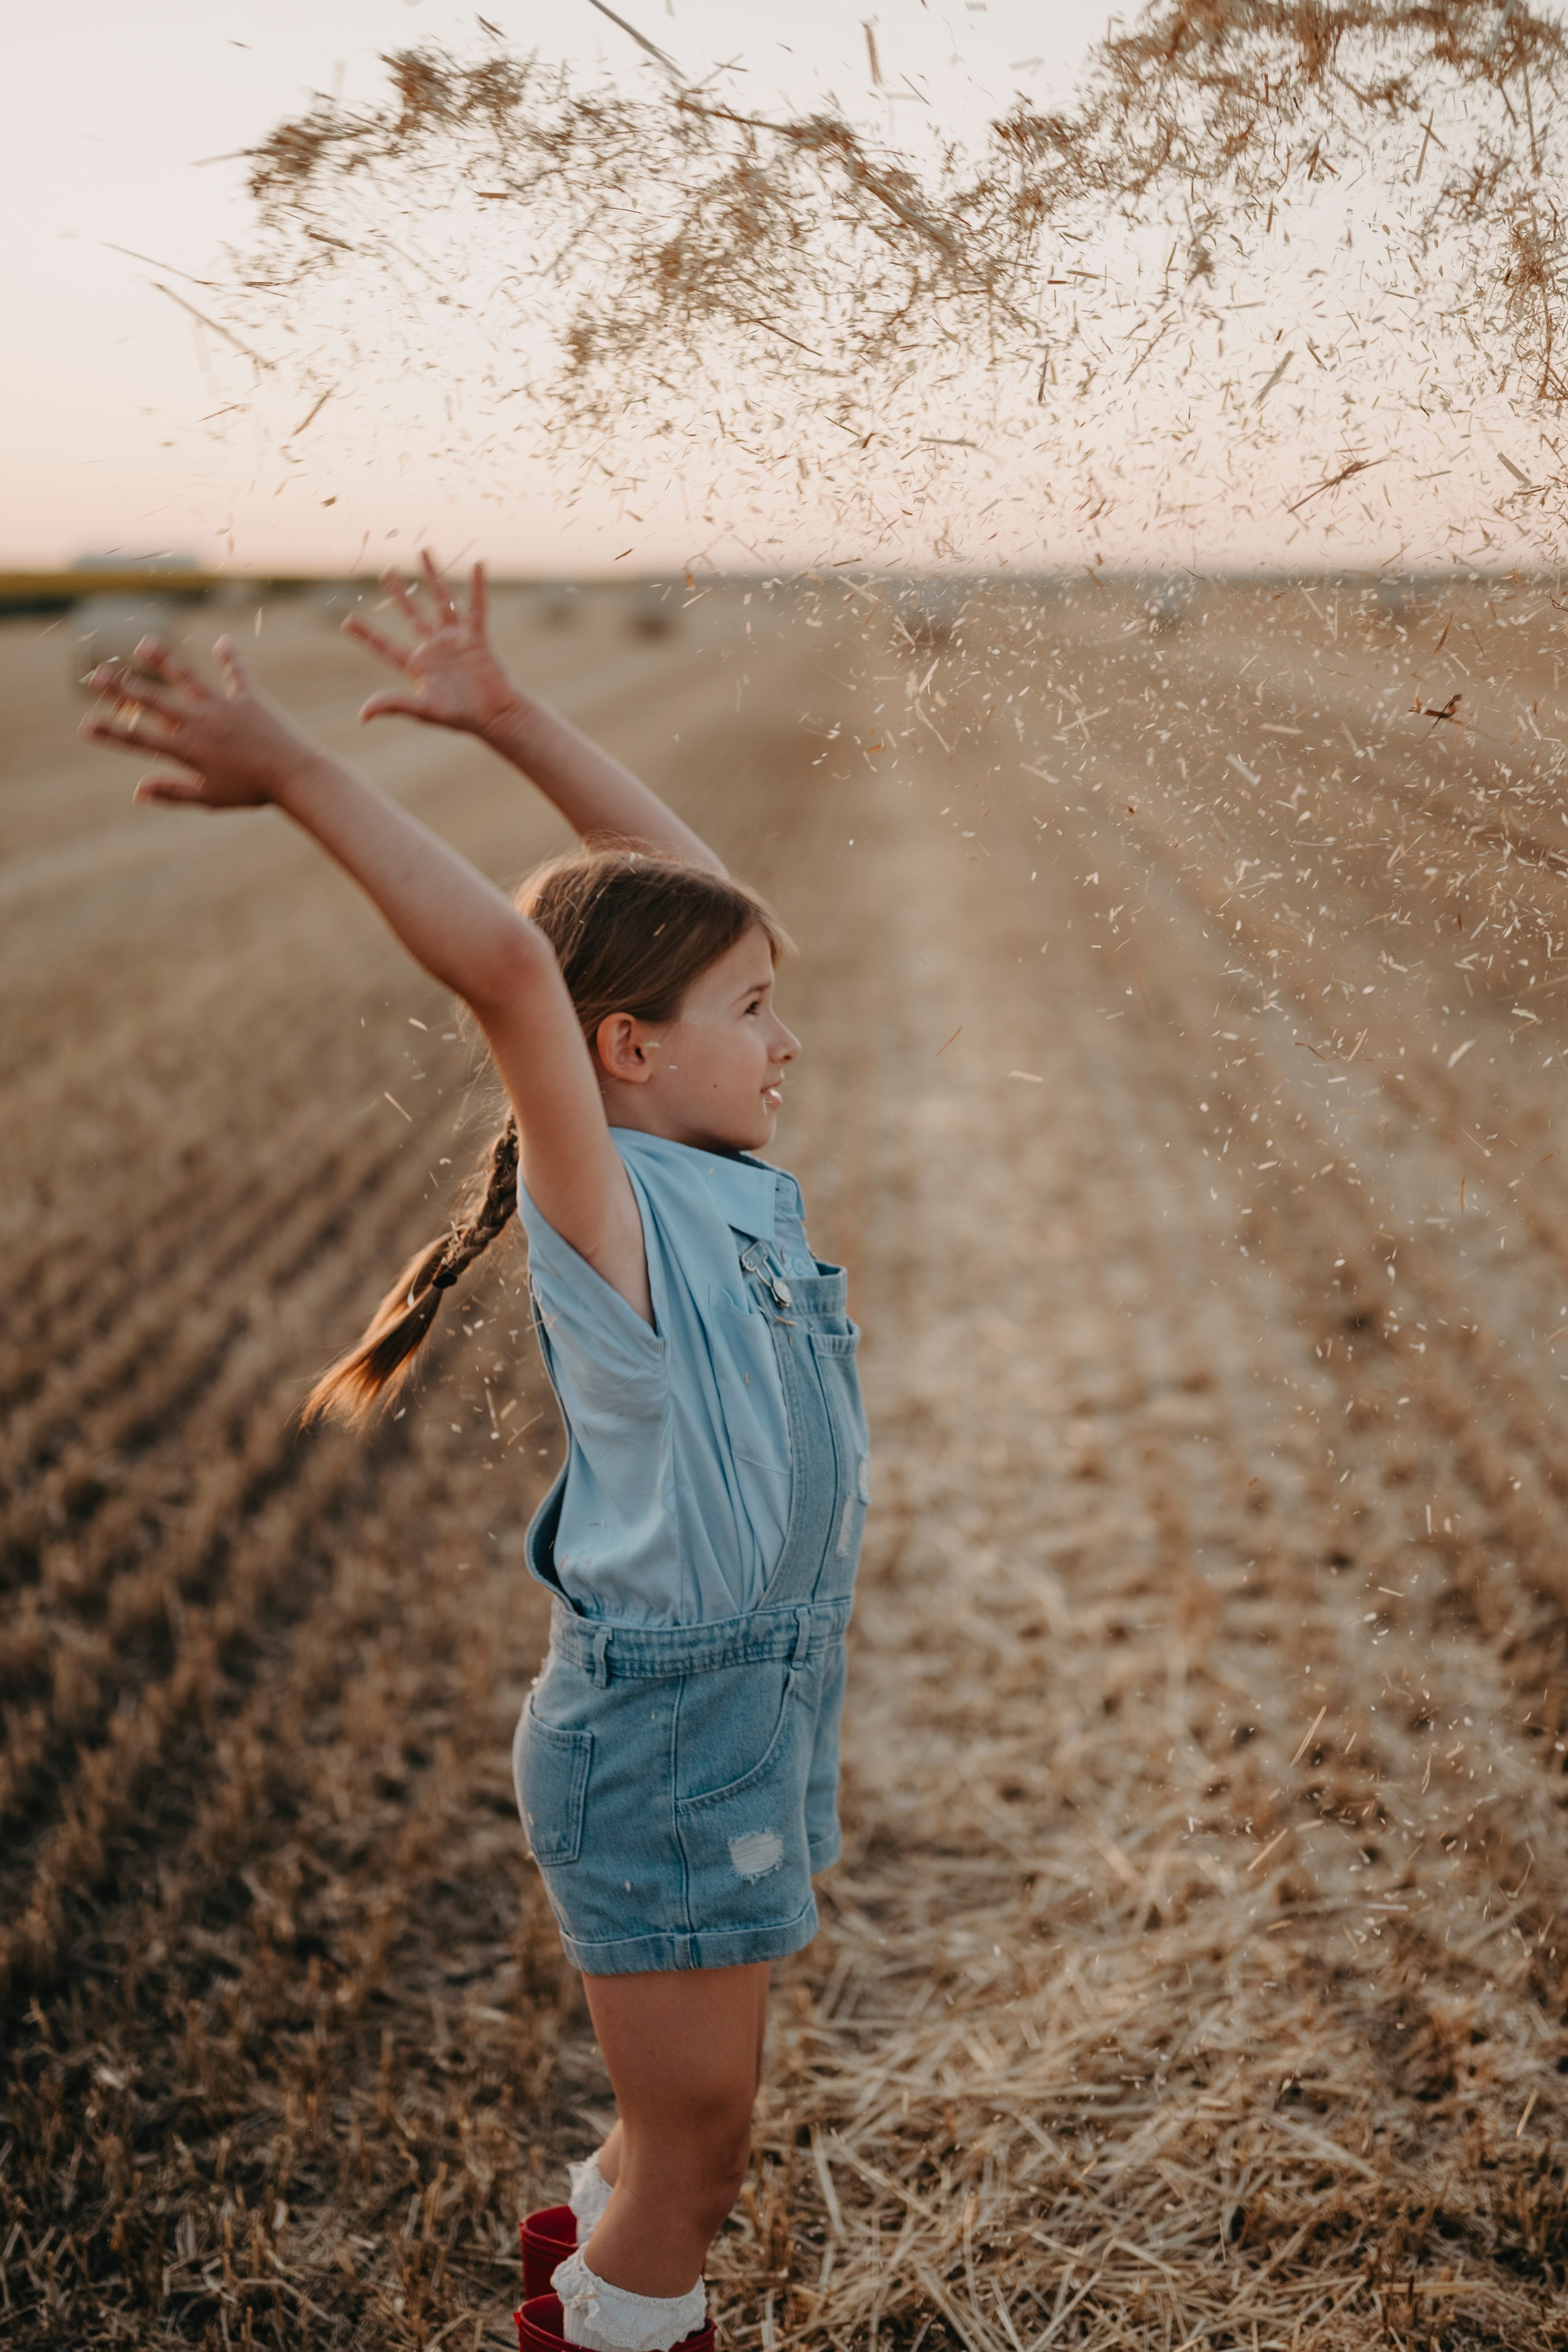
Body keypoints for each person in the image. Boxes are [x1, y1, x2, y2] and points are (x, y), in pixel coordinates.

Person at [81, 559, 869, 2352]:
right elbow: (516, 962)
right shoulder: (619, 1207)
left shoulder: (722, 1169)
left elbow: (700, 910)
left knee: (681, 2131)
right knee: (705, 2149)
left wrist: (512, 714)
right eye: (753, 1012)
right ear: (625, 1051)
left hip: (752, 1694)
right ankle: (609, 2309)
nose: (790, 1034)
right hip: (672, 1732)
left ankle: (590, 2271)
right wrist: (295, 767)